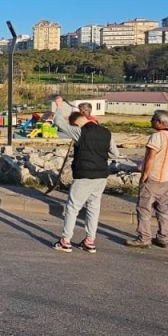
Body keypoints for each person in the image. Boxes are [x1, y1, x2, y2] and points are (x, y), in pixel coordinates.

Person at [52, 96, 119, 253]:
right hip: (101, 175)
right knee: (93, 208)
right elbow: (115, 153)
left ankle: (65, 241)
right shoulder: (106, 133)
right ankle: (90, 241)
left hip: (84, 175)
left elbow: (58, 122)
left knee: (72, 208)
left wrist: (59, 106)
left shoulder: (79, 132)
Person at [127, 109, 168, 248]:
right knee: (162, 208)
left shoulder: (157, 137)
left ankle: (144, 238)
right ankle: (163, 236)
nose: (151, 121)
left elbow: (151, 157)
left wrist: (144, 175)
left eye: (152, 119)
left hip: (154, 178)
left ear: (160, 122)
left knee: (143, 208)